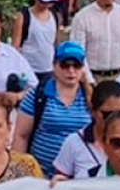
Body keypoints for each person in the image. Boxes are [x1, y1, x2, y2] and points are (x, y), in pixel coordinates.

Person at [13, 42, 93, 176]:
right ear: (55, 66)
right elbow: (21, 136)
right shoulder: (38, 95)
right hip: (41, 175)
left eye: (76, 65)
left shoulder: (91, 97)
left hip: (81, 177)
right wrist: (18, 171)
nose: (71, 70)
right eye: (65, 65)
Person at [53, 80, 120, 179]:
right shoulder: (74, 142)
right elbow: (61, 180)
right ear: (93, 111)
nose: (115, 120)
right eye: (108, 114)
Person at [13, 0, 61, 84]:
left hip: (48, 68)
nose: (47, 5)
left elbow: (56, 42)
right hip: (27, 67)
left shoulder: (55, 16)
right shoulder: (24, 16)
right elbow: (15, 45)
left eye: (50, 2)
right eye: (44, 2)